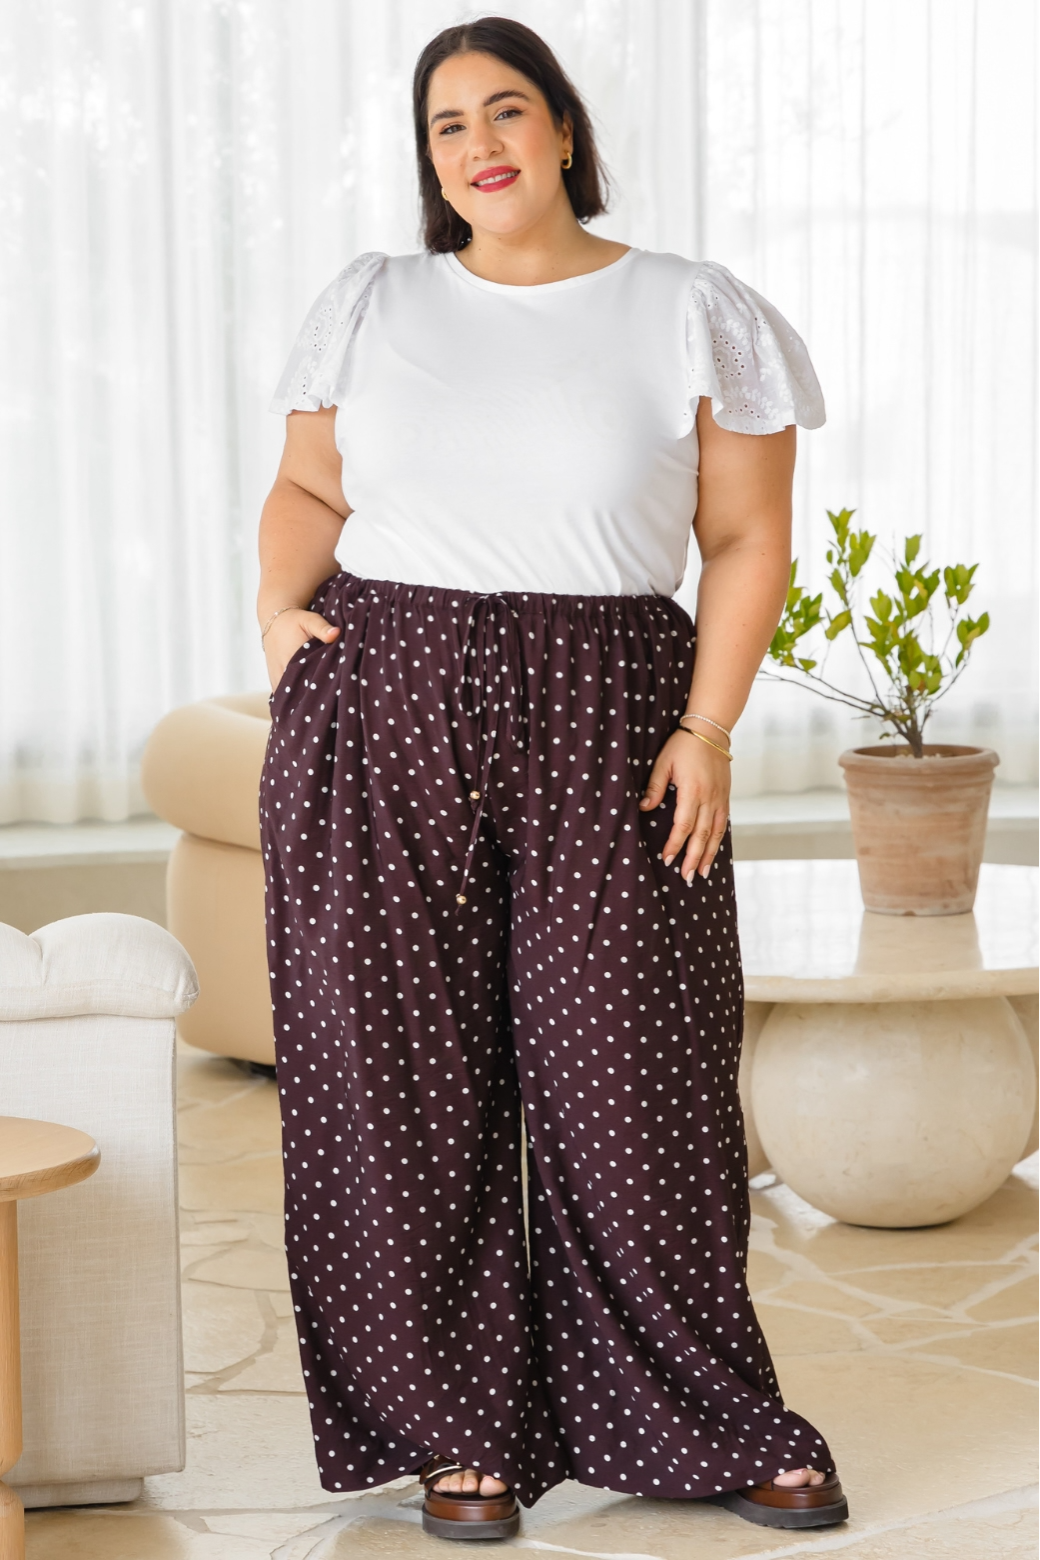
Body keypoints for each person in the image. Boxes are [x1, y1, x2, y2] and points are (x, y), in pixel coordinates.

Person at [257, 16, 847, 1544]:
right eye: (446, 125)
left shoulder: (689, 308)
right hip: (383, 701)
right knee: (393, 1089)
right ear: (428, 158)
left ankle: (704, 1418)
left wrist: (707, 728)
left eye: (505, 110)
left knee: (637, 1086)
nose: (478, 145)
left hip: (617, 711)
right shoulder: (372, 303)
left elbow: (746, 538)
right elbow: (308, 486)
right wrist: (276, 615)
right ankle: (455, 1434)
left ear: (565, 127)